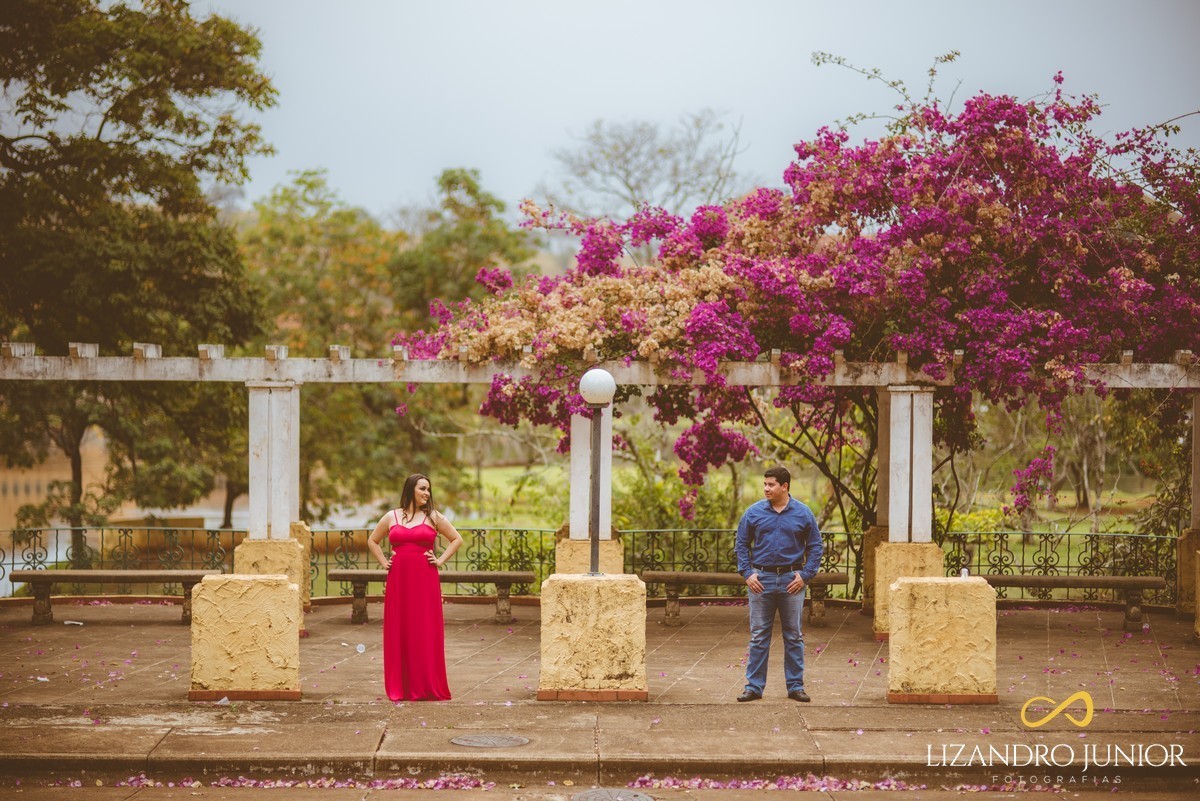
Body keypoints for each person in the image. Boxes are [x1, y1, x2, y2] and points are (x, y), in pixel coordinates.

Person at [367, 473, 463, 702]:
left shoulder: (434, 517)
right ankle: (401, 686)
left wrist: (440, 561)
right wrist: (384, 563)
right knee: (400, 629)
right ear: (411, 489)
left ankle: (426, 685)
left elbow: (457, 539)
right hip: (399, 580)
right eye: (422, 488)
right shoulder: (391, 516)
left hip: (425, 580)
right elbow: (372, 540)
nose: (427, 493)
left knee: (424, 630)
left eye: (428, 489)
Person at [734, 466, 824, 703]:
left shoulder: (803, 514)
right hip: (760, 581)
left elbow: (816, 546)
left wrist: (805, 575)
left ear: (784, 486)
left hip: (791, 581)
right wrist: (747, 573)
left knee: (793, 636)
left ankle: (795, 687)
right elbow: (741, 544)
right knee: (758, 636)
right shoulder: (753, 513)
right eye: (765, 484)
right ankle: (753, 687)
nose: (766, 488)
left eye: (771, 484)